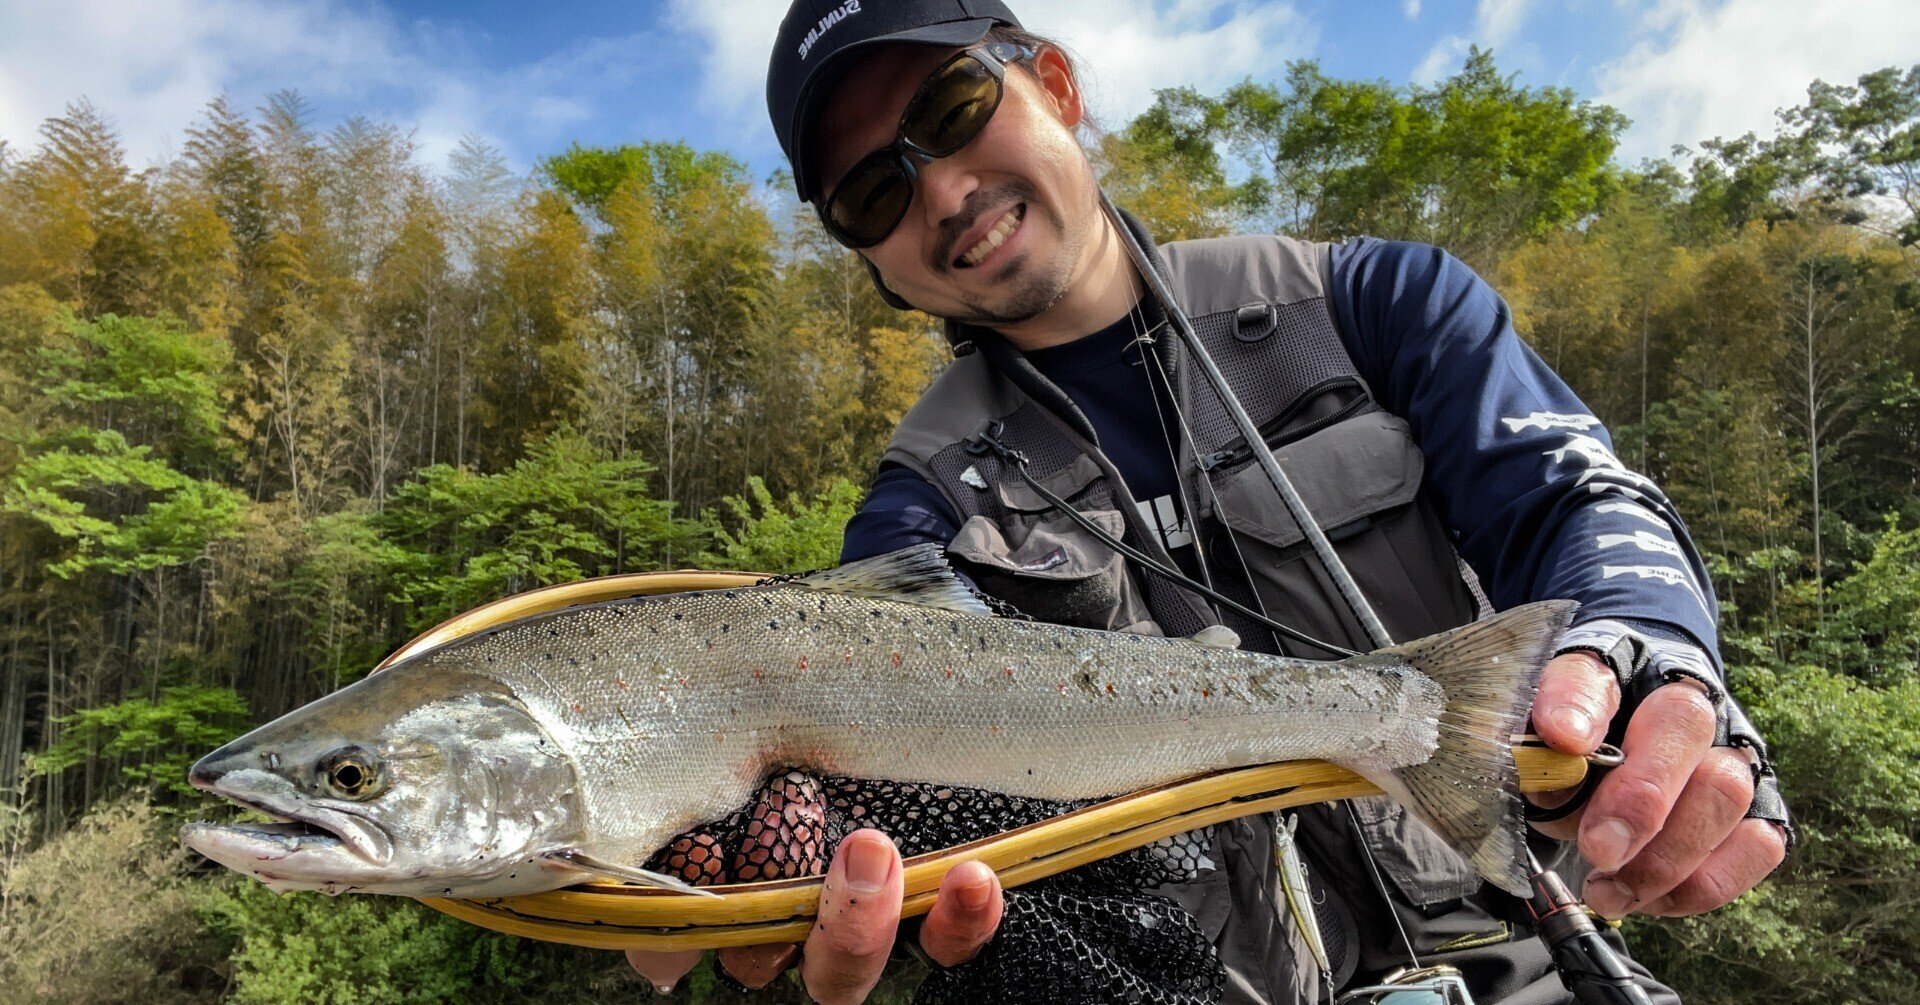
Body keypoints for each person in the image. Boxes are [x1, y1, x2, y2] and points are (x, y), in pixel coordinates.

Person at [629, 1, 1791, 1001]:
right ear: (873, 265)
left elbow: (1573, 505)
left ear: (1053, 84)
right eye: (874, 191)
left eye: (949, 109)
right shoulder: (915, 514)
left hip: (1535, 962)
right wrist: (697, 850)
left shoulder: (1375, 300)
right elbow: (866, 770)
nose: (940, 188)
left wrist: (1649, 649)